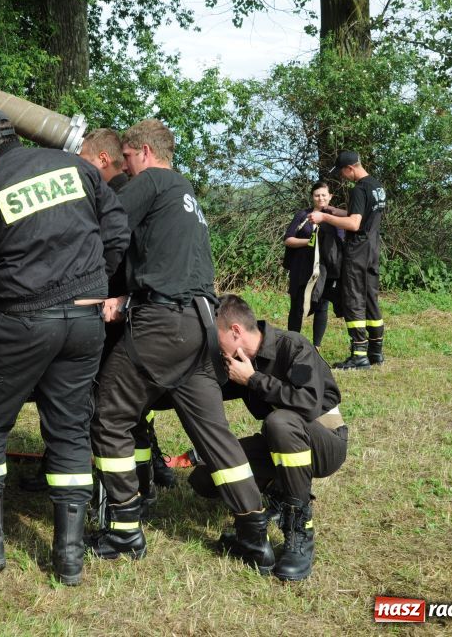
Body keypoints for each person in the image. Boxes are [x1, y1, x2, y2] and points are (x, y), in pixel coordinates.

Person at [88, 119, 275, 575]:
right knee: (214, 433)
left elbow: (104, 222)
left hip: (161, 325)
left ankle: (125, 529)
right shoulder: (184, 192)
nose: (125, 168)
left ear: (145, 152)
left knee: (109, 415)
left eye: (127, 158)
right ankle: (255, 535)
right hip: (202, 324)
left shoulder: (150, 181)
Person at [0, 108, 129, 586]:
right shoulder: (75, 167)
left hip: (22, 321)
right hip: (85, 321)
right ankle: (69, 557)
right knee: (71, 428)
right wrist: (95, 282)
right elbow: (117, 233)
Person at [188, 294, 348, 581]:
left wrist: (253, 380)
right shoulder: (237, 362)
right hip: (278, 445)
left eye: (216, 337)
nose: (214, 347)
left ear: (235, 331)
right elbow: (206, 390)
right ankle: (273, 499)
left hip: (326, 442)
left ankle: (300, 530)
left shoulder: (293, 346)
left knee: (280, 422)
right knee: (205, 477)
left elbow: (309, 403)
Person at [81, 129, 179, 500]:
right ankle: (150, 472)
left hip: (119, 310)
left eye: (85, 161)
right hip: (136, 309)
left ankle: (128, 490)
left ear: (102, 160)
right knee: (136, 404)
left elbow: (108, 241)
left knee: (113, 403)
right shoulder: (152, 188)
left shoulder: (124, 192)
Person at [309, 151, 386, 369]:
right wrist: (337, 211)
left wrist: (324, 217)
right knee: (371, 297)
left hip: (357, 251)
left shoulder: (360, 189)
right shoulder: (377, 187)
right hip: (372, 250)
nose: (343, 177)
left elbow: (354, 224)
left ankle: (359, 355)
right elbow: (363, 216)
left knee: (353, 299)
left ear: (350, 168)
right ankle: (375, 352)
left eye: (343, 172)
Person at [283, 180, 344, 351]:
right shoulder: (302, 215)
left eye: (324, 195)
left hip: (324, 270)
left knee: (322, 306)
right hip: (301, 268)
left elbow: (341, 242)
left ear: (330, 196)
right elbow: (288, 239)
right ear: (312, 197)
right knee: (296, 305)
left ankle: (316, 346)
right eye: (317, 195)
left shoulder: (335, 217)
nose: (321, 198)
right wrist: (309, 242)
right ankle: (293, 345)